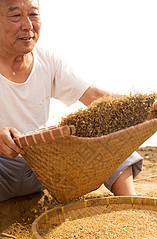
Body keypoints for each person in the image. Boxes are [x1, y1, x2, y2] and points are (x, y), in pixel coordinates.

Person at [0, 0, 143, 202]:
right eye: (16, 16)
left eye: (33, 14)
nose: (27, 25)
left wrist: (141, 106)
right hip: (2, 171)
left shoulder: (48, 60)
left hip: (42, 169)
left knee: (109, 128)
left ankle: (131, 206)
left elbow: (94, 97)